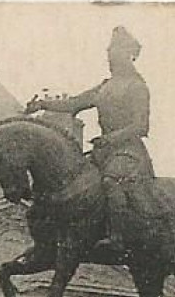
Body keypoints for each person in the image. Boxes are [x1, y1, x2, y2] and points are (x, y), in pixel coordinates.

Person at [25, 26, 154, 257]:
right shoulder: (105, 87)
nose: (109, 56)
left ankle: (116, 237)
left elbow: (140, 126)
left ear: (128, 54)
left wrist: (109, 138)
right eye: (108, 52)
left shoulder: (137, 86)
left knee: (111, 181)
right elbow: (74, 103)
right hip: (103, 151)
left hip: (128, 152)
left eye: (113, 52)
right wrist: (43, 105)